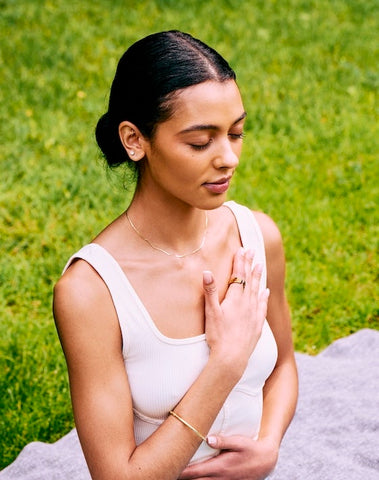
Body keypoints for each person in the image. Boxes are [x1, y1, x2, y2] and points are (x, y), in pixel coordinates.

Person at [53, 30, 298, 480]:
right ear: (134, 140)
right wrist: (225, 364)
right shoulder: (91, 292)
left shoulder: (258, 238)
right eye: (201, 142)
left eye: (236, 133)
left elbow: (283, 365)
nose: (229, 158)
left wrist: (268, 446)